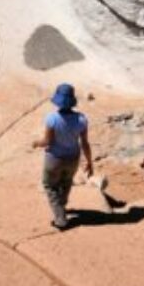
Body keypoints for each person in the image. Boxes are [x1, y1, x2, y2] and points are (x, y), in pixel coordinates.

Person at [32, 83, 94, 229]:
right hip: (73, 158)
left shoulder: (52, 119)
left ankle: (61, 219)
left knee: (49, 186)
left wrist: (36, 143)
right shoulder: (82, 119)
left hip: (54, 159)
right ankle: (62, 206)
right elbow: (85, 143)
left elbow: (47, 141)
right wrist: (90, 162)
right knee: (66, 183)